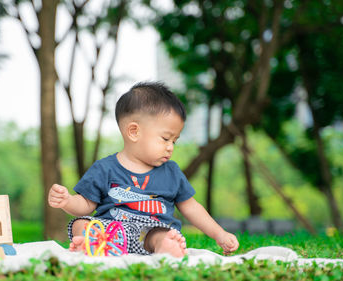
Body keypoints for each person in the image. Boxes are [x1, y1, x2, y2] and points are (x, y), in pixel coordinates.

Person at [48, 81, 239, 257]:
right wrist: (67, 201)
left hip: (151, 231)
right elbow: (86, 205)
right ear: (134, 132)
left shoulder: (171, 172)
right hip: (111, 232)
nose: (171, 146)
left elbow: (191, 207)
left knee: (163, 234)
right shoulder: (104, 169)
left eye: (174, 140)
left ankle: (165, 246)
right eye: (165, 138)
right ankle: (91, 244)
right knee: (81, 223)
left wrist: (219, 234)